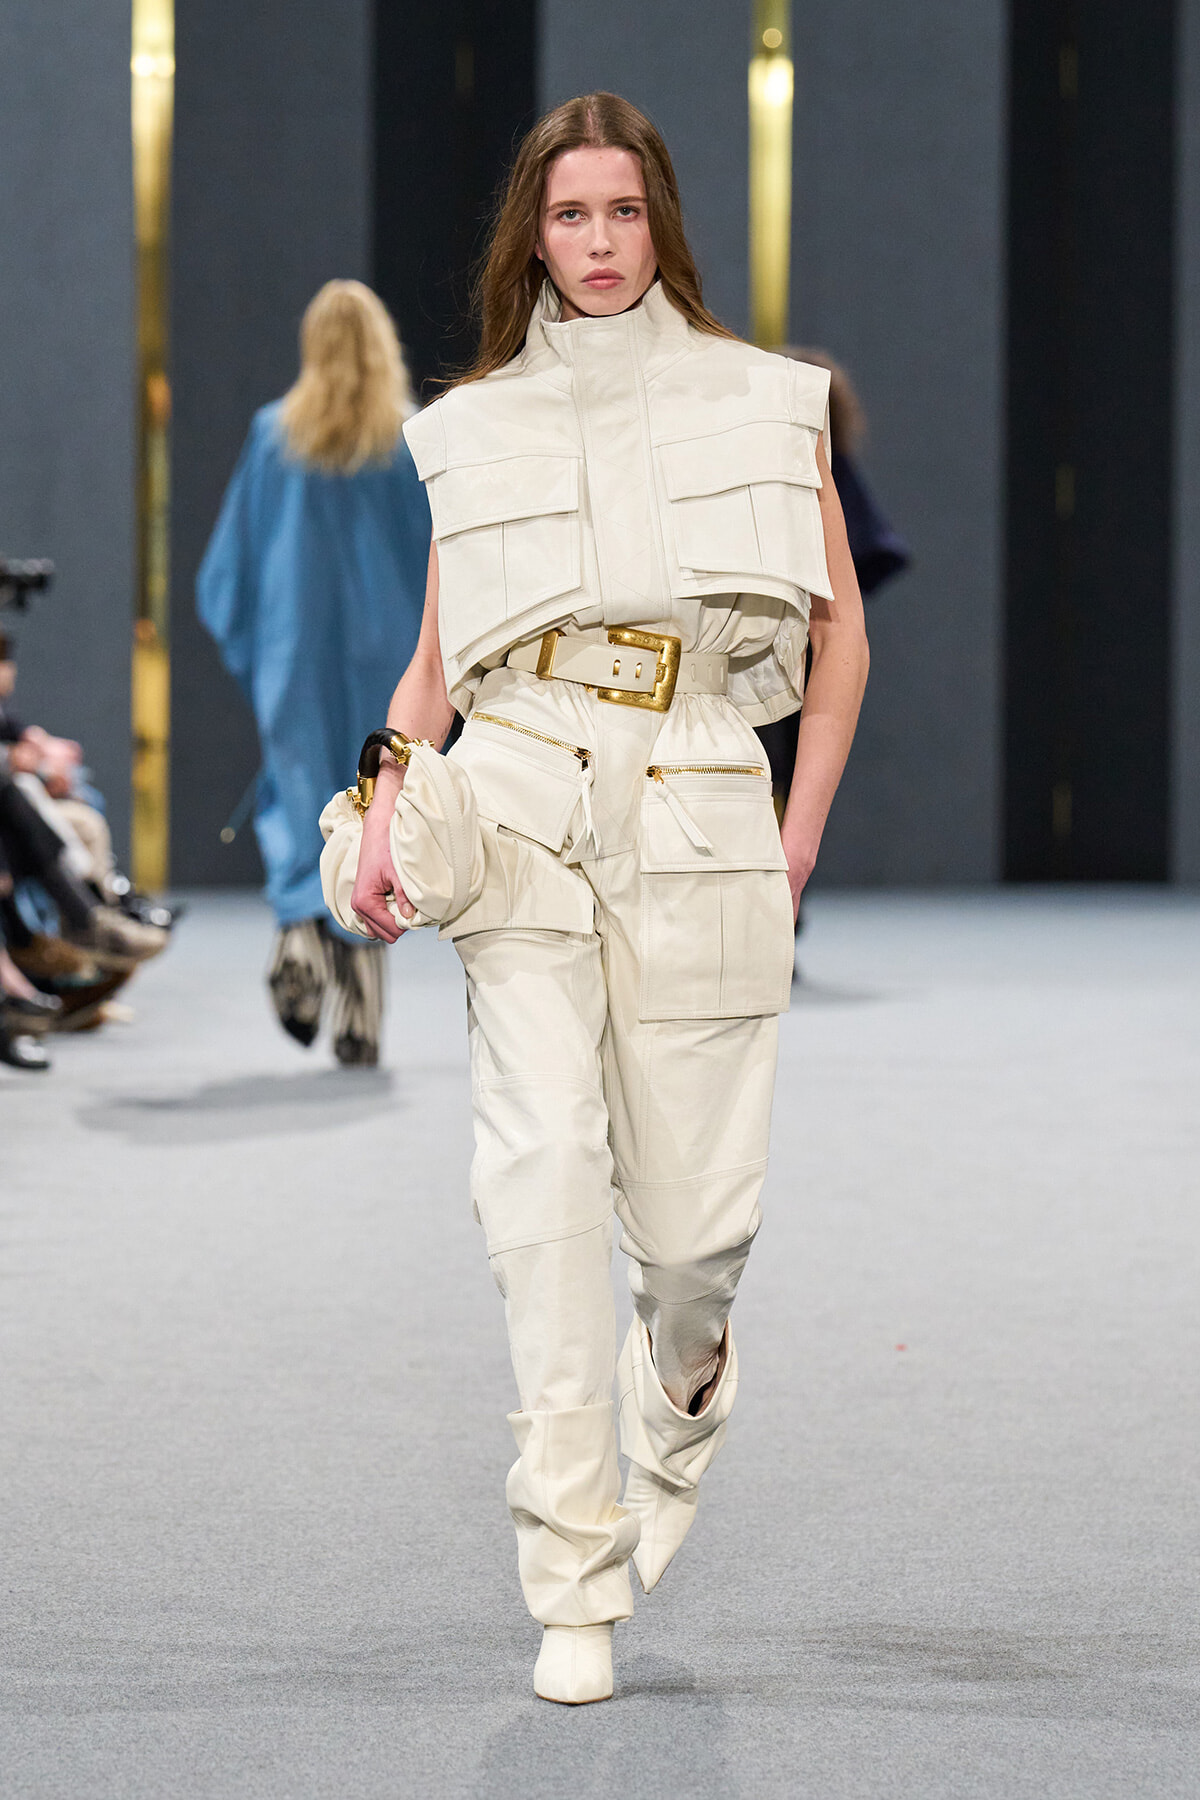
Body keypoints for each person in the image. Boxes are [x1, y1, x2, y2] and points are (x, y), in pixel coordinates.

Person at [349, 94, 869, 1703]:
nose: (595, 243)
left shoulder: (767, 402)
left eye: (622, 215)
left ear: (662, 228)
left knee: (698, 1238)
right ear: (533, 233)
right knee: (544, 1176)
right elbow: (440, 664)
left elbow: (841, 642)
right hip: (516, 794)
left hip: (705, 787)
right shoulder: (474, 423)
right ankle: (572, 1575)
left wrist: (793, 841)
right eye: (568, 216)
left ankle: (688, 1376)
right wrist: (383, 803)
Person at [198, 281, 430, 1065]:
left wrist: (254, 652)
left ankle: (299, 941)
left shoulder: (274, 437)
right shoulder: (408, 441)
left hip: (293, 659)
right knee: (374, 816)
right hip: (388, 662)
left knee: (299, 803)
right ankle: (362, 1009)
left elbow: (225, 576)